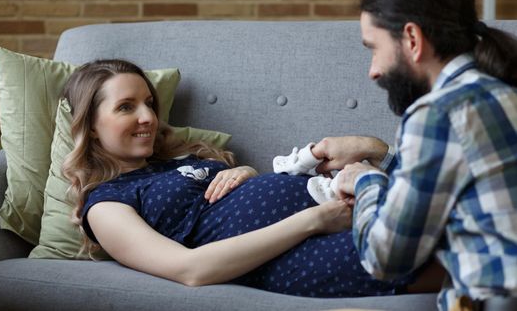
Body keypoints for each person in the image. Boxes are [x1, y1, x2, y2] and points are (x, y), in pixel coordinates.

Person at [61, 58, 420, 298]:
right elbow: (191, 269)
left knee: (446, 204)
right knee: (429, 253)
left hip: (332, 205)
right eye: (126, 107)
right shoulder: (106, 204)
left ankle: (377, 151)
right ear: (91, 126)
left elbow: (234, 204)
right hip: (291, 252)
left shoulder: (178, 159)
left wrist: (245, 173)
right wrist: (313, 220)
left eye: (149, 104)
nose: (148, 118)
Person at [310, 0, 517, 310]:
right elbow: (463, 177)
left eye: (374, 48)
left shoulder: (437, 112)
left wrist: (367, 182)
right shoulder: (500, 92)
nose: (373, 71)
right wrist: (381, 157)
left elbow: (385, 258)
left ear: (412, 39)